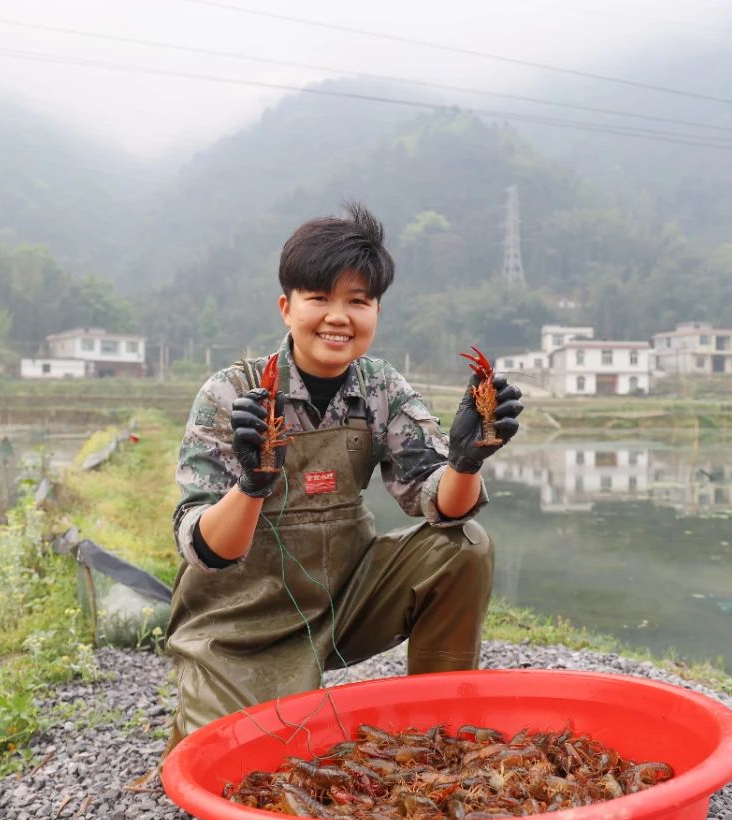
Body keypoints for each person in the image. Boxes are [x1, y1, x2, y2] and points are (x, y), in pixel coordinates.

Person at [165, 202, 523, 750]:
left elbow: (439, 505)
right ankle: (214, 699)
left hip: (342, 601)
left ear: (377, 311)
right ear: (287, 308)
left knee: (464, 545)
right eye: (320, 298)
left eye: (358, 301)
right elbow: (202, 546)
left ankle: (439, 733)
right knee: (249, 763)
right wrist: (252, 485)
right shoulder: (231, 394)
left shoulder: (381, 387)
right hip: (237, 622)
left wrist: (465, 462)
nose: (339, 317)